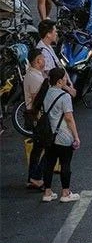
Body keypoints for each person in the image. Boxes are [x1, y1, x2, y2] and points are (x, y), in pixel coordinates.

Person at [41, 67, 81, 203]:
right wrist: (76, 136)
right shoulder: (64, 97)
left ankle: (47, 192)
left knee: (49, 164)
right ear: (59, 81)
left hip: (49, 135)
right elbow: (69, 118)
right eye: (64, 78)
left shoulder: (46, 93)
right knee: (65, 164)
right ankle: (65, 192)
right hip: (63, 135)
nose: (66, 80)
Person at [23, 48, 46, 190]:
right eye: (43, 58)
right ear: (38, 61)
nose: (44, 60)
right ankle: (36, 177)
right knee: (49, 148)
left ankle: (32, 177)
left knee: (37, 149)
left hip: (35, 117)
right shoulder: (35, 78)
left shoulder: (34, 75)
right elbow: (38, 99)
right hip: (39, 118)